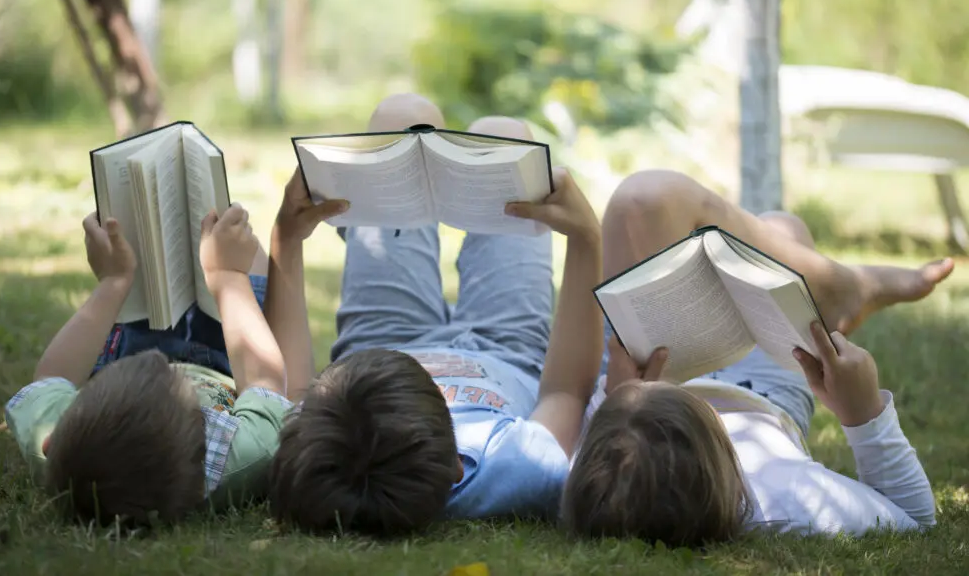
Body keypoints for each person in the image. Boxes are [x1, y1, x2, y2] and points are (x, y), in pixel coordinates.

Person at [267, 93, 605, 535]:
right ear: (458, 469)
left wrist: (287, 236)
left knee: (400, 117)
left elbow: (289, 387)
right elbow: (564, 392)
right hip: (507, 349)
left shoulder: (324, 450)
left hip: (382, 342)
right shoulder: (520, 466)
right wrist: (586, 240)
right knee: (506, 137)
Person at [562, 172, 953, 546]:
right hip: (764, 398)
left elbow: (597, 449)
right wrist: (864, 413)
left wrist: (617, 395)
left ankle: (838, 288)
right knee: (785, 230)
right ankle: (841, 289)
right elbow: (914, 518)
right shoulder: (783, 492)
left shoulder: (598, 488)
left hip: (647, 368)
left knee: (647, 202)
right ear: (728, 468)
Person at [4, 204, 294, 526]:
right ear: (207, 436)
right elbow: (263, 382)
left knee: (147, 234)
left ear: (51, 442)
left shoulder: (56, 444)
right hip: (228, 357)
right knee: (234, 239)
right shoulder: (241, 456)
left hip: (127, 349)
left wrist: (113, 282)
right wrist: (228, 277)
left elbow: (51, 376)